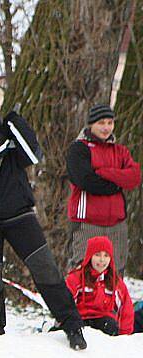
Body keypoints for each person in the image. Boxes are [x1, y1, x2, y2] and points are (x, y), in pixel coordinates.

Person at [0, 87, 86, 350]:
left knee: (44, 266)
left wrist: (17, 128)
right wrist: (1, 144)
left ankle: (71, 323)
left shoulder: (9, 133)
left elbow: (33, 155)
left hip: (17, 214)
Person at [66, 104, 141, 275]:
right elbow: (86, 180)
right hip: (87, 223)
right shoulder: (79, 149)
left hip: (117, 223)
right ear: (91, 124)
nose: (106, 128)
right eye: (101, 123)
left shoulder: (120, 151)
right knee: (83, 271)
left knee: (115, 272)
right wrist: (117, 182)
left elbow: (134, 177)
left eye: (110, 122)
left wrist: (104, 172)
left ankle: (113, 302)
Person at [65, 236, 133, 336]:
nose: (102, 260)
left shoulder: (115, 281)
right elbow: (66, 303)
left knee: (110, 326)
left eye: (106, 256)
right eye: (97, 255)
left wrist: (124, 334)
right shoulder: (77, 277)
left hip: (104, 320)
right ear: (90, 256)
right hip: (81, 319)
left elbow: (126, 307)